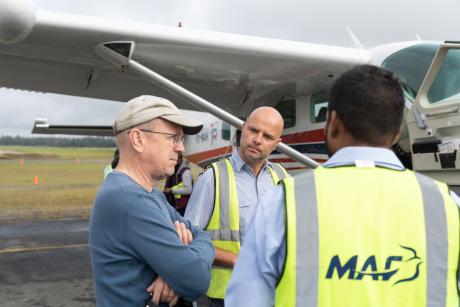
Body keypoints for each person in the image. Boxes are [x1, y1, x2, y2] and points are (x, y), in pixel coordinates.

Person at [226, 65, 460, 306]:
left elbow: (245, 299)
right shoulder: (448, 205)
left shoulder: (283, 202)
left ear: (333, 122)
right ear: (398, 130)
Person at [89, 95, 215, 307]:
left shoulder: (149, 194)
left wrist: (173, 271)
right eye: (173, 138)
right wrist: (181, 268)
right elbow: (196, 280)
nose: (181, 148)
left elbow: (202, 234)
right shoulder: (131, 200)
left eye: (181, 139)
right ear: (138, 139)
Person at [185, 106, 289, 306]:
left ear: (277, 144)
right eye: (253, 130)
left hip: (271, 294)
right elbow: (188, 240)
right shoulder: (213, 178)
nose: (257, 140)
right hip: (224, 296)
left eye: (267, 136)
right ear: (243, 128)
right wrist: (235, 260)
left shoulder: (283, 178)